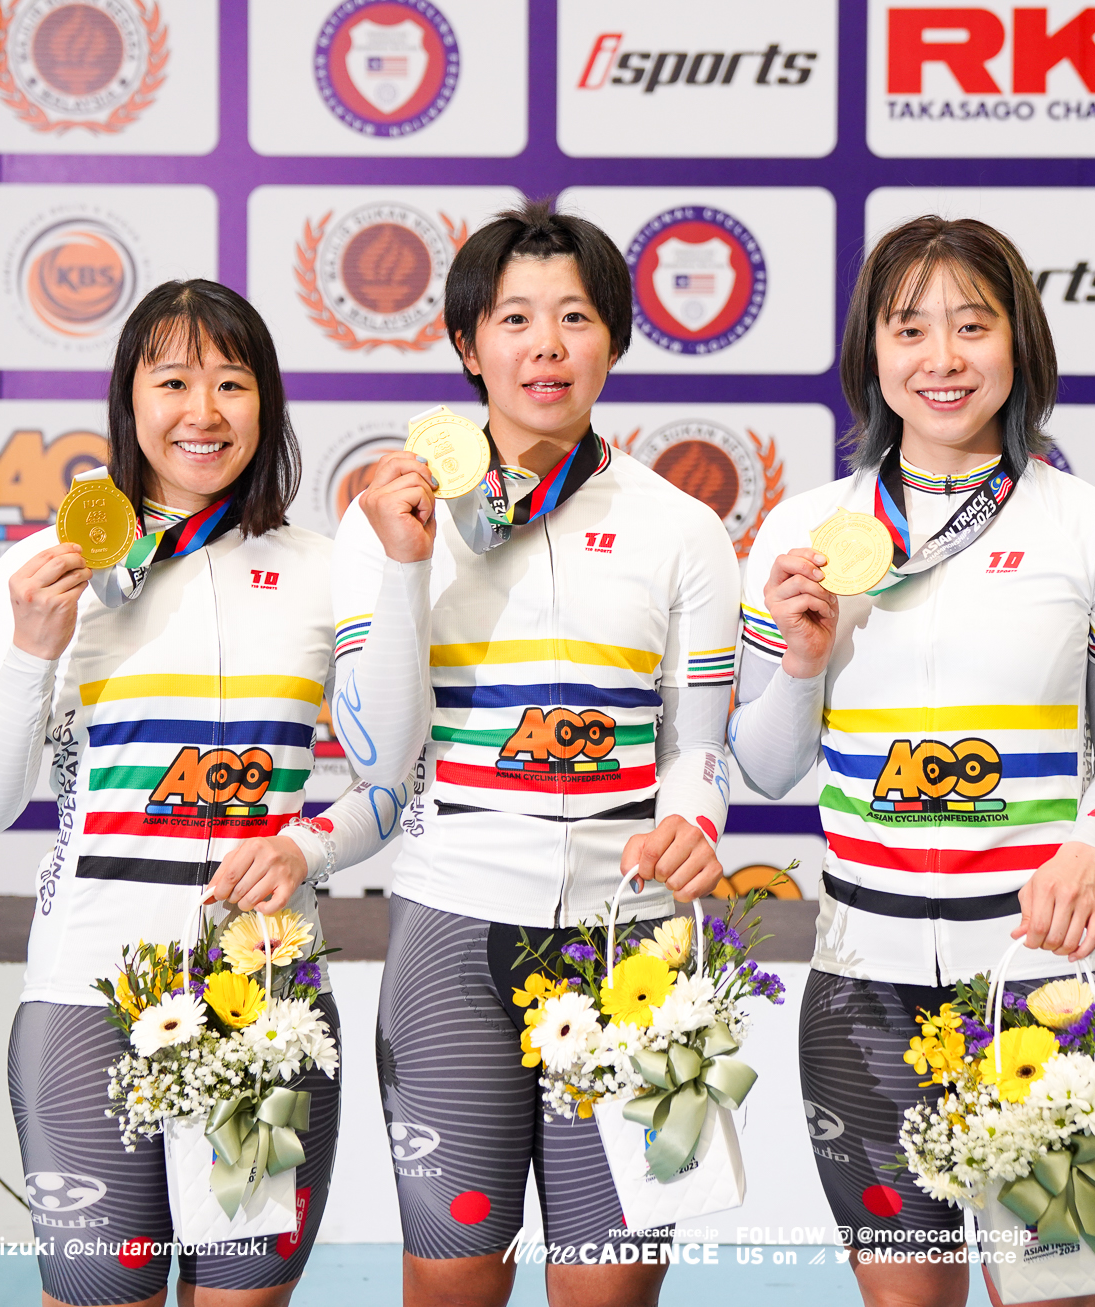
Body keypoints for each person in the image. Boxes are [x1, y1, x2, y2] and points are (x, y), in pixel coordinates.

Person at [728, 216, 1095, 1307]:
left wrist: (1089, 846)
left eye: (972, 324)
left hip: (1045, 982)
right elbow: (768, 769)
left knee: (1052, 1294)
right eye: (910, 327)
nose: (942, 357)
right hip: (860, 981)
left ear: (1017, 341)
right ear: (870, 352)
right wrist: (798, 662)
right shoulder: (808, 527)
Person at [0, 279, 406, 1307]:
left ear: (268, 404)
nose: (203, 411)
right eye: (174, 380)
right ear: (129, 397)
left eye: (231, 382)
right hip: (83, 993)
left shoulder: (326, 571)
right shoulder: (40, 570)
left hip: (266, 997)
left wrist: (305, 848)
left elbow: (388, 783)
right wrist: (31, 653)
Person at [329, 199, 737, 1307]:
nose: (545, 345)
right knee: (454, 1273)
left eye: (574, 315)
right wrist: (405, 565)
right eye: (514, 317)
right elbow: (377, 747)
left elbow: (699, 748)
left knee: (608, 1287)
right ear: (468, 344)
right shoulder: (390, 515)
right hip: (453, 927)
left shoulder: (679, 527)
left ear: (614, 337)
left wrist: (696, 824)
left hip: (629, 940)